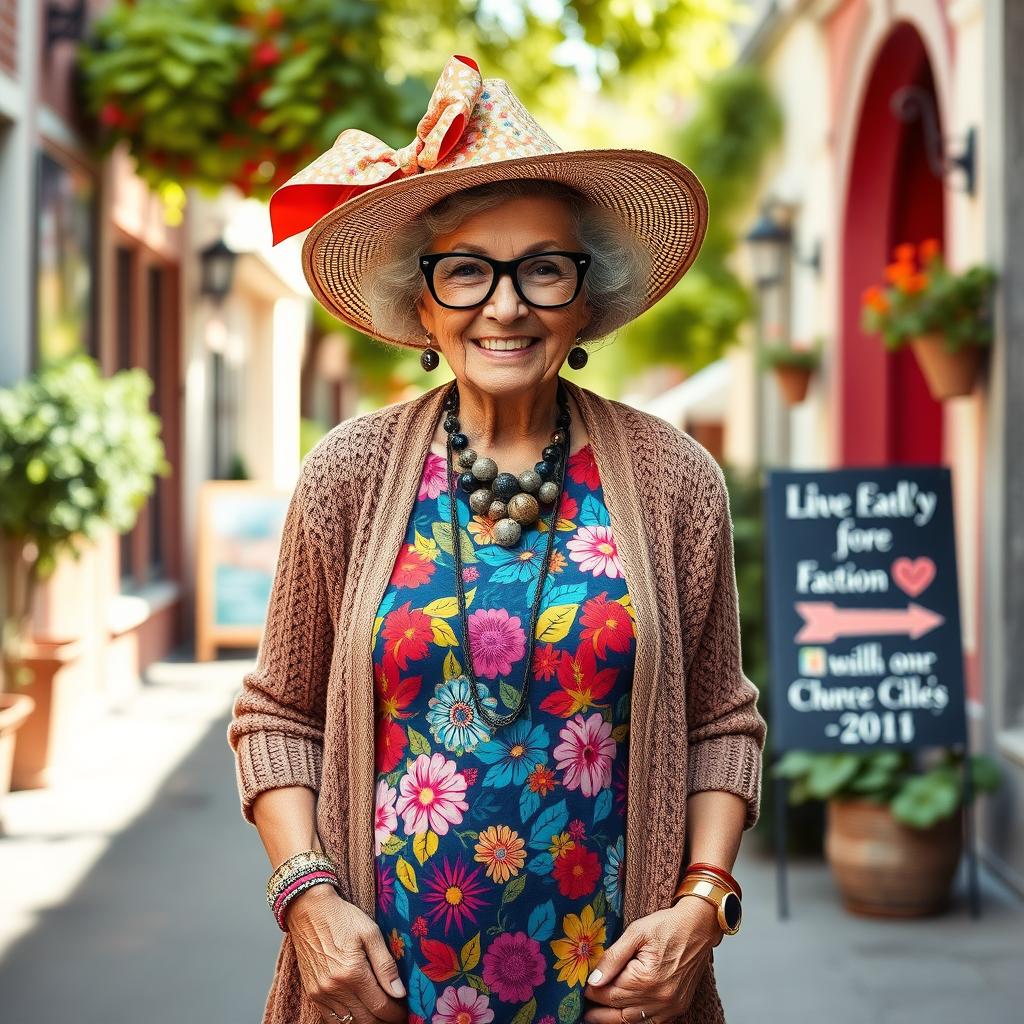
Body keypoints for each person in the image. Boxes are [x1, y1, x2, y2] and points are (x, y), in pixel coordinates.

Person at [228, 54, 767, 1024]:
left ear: (584, 296)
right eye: (468, 270)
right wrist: (305, 900)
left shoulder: (677, 481)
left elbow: (722, 724)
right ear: (422, 302)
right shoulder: (346, 476)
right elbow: (275, 715)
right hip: (380, 997)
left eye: (542, 268)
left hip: (615, 1000)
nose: (506, 304)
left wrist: (702, 906)